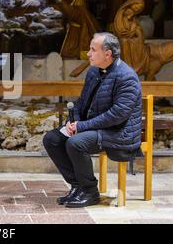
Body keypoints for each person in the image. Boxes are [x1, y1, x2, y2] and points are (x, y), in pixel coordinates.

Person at [43, 32, 142, 208]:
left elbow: (117, 115)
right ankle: (77, 186)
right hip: (97, 127)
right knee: (52, 139)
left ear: (108, 54)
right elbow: (82, 102)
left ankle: (90, 192)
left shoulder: (126, 76)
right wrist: (73, 122)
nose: (88, 53)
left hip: (119, 132)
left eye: (92, 49)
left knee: (76, 143)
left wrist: (82, 126)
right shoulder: (94, 71)